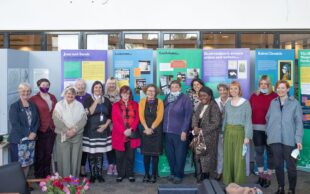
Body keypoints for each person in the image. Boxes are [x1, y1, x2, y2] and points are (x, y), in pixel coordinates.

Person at [266, 80, 303, 194]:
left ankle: (291, 189)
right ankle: (280, 188)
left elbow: (298, 123)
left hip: (289, 140)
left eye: (283, 88)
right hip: (275, 139)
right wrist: (269, 133)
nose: (280, 90)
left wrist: (298, 139)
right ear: (276, 89)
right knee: (278, 165)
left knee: (291, 167)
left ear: (288, 89)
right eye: (278, 88)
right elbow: (268, 118)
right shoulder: (273, 102)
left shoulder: (294, 103)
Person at [249, 75, 277, 188]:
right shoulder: (254, 96)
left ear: (269, 85)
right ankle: (261, 176)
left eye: (266, 84)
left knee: (271, 154)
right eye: (261, 84)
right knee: (259, 153)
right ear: (259, 85)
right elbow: (249, 112)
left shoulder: (275, 96)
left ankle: (268, 176)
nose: (263, 86)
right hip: (257, 129)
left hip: (271, 130)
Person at [53, 86, 87, 177]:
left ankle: (74, 180)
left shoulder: (79, 105)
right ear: (64, 94)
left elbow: (83, 119)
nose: (70, 95)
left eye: (72, 94)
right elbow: (56, 120)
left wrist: (74, 130)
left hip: (77, 136)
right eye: (68, 93)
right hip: (63, 136)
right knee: (64, 158)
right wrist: (66, 130)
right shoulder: (59, 105)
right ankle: (63, 179)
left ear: (75, 95)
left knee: (75, 158)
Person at [222, 81, 252, 185]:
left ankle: (238, 181)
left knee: (239, 158)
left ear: (239, 90)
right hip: (228, 132)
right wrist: (222, 133)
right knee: (228, 156)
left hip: (240, 132)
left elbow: (248, 120)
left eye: (235, 88)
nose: (233, 91)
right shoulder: (228, 103)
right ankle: (228, 181)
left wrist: (247, 136)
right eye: (231, 89)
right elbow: (225, 119)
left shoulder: (245, 103)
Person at [82, 81, 112, 183]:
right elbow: (88, 112)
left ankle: (99, 174)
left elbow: (110, 116)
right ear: (92, 89)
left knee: (99, 153)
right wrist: (96, 101)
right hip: (90, 130)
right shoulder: (87, 99)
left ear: (102, 89)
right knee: (91, 154)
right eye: (96, 87)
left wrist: (105, 126)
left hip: (103, 130)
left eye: (100, 87)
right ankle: (92, 175)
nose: (98, 89)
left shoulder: (107, 100)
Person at [163, 80, 193, 184]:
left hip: (180, 132)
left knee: (180, 154)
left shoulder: (185, 99)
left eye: (176, 87)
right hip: (167, 131)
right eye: (172, 87)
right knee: (170, 154)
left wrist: (185, 131)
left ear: (180, 88)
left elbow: (188, 117)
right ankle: (172, 172)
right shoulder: (167, 98)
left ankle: (179, 174)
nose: (174, 88)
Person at [9, 83, 39, 178]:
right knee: (19, 165)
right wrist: (28, 133)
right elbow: (15, 124)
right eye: (23, 91)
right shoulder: (14, 106)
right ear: (19, 92)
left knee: (28, 163)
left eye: (28, 91)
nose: (26, 93)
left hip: (31, 140)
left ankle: (24, 185)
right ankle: (18, 186)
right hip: (19, 140)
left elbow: (37, 120)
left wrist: (34, 132)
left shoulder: (33, 105)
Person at [192, 86, 221, 182]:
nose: (202, 97)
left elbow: (216, 123)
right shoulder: (200, 105)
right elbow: (195, 117)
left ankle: (205, 177)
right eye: (200, 96)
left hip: (209, 136)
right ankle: (201, 175)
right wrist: (195, 127)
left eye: (204, 95)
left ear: (210, 96)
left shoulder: (214, 106)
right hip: (198, 135)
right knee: (199, 155)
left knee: (206, 157)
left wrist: (201, 130)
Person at [112, 86, 140, 183]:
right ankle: (120, 174)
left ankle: (130, 174)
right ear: (120, 94)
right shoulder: (115, 105)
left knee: (131, 156)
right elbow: (115, 120)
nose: (126, 95)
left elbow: (137, 118)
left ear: (130, 94)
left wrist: (131, 129)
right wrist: (124, 131)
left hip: (131, 134)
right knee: (119, 156)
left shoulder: (136, 104)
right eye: (124, 93)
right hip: (119, 134)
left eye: (127, 93)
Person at [30, 78, 57, 178]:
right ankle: (38, 174)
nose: (45, 87)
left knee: (48, 153)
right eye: (43, 85)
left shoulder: (52, 97)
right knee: (40, 154)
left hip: (51, 129)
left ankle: (47, 174)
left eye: (47, 85)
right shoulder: (34, 99)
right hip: (40, 129)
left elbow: (56, 112)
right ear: (39, 86)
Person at [139, 84, 164, 183]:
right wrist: (146, 128)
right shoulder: (142, 102)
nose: (151, 92)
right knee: (146, 154)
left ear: (156, 92)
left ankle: (154, 175)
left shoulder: (160, 102)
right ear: (146, 91)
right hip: (145, 131)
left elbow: (160, 117)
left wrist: (151, 128)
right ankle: (146, 174)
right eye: (149, 90)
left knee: (155, 155)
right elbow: (141, 116)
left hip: (156, 131)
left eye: (153, 91)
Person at [75, 79, 91, 177]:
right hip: (75, 125)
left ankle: (82, 167)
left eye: (82, 85)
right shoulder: (73, 95)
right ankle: (74, 167)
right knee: (76, 148)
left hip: (87, 125)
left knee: (84, 148)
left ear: (85, 86)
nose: (80, 87)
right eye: (78, 85)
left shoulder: (89, 96)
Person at [104, 77, 120, 176]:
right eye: (110, 83)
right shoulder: (104, 96)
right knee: (109, 145)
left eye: (113, 83)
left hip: (118, 125)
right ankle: (111, 164)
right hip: (107, 125)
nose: (111, 85)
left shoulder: (121, 96)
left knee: (118, 145)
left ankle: (117, 165)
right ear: (107, 85)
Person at [214, 83, 230, 181]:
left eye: (224, 90)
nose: (223, 92)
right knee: (220, 152)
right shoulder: (215, 101)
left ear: (228, 90)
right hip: (219, 130)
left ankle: (228, 172)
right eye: (220, 90)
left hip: (230, 129)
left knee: (230, 152)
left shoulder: (232, 100)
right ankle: (219, 172)